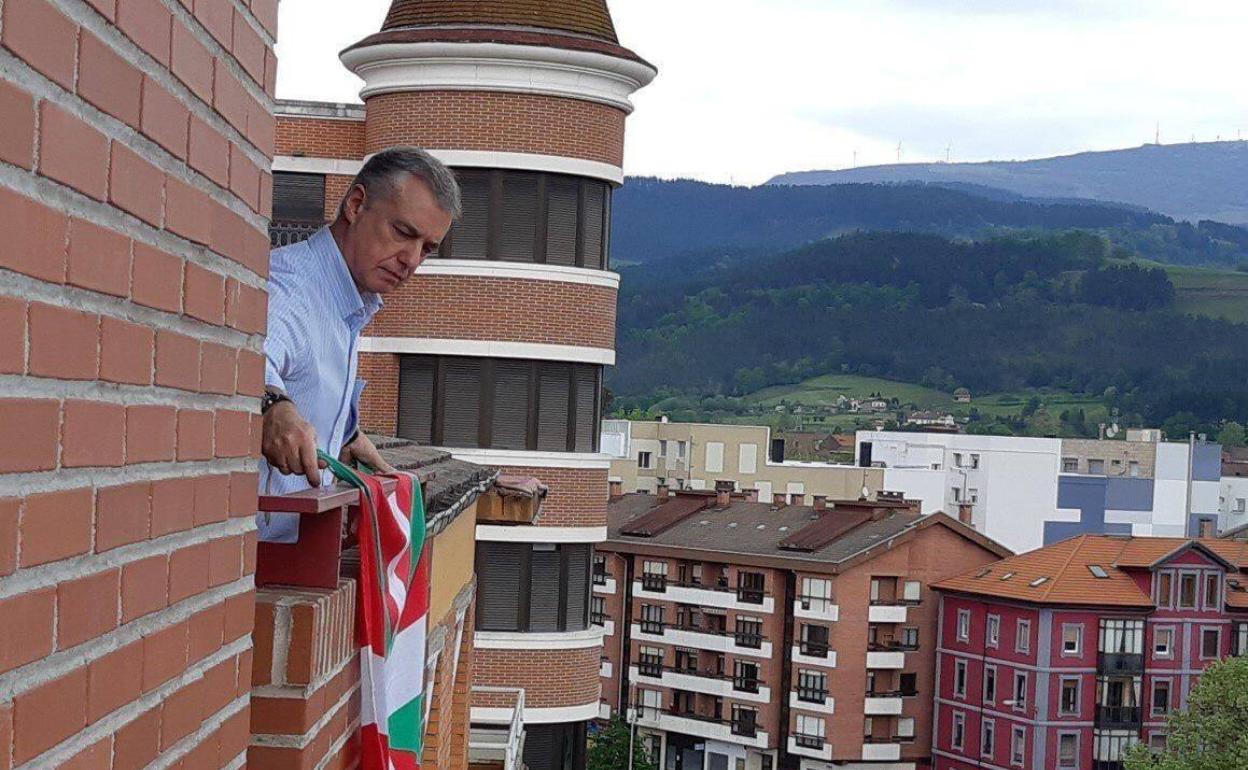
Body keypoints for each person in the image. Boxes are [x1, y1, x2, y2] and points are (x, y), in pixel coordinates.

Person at [259, 147, 460, 542]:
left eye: (427, 248)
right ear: (355, 205)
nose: (412, 260)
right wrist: (271, 407)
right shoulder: (288, 288)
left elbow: (305, 381)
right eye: (403, 233)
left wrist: (344, 436)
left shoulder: (348, 301)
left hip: (295, 569)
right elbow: (244, 358)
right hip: (254, 576)